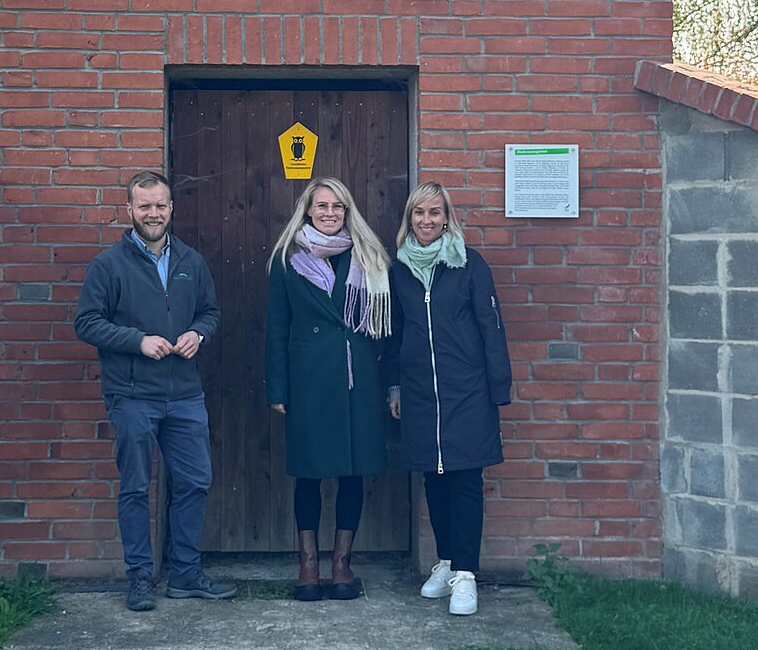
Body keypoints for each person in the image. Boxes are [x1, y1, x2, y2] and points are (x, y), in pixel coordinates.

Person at [74, 170, 235, 612]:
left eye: (160, 205)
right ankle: (140, 578)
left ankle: (185, 574)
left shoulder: (191, 261)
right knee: (135, 486)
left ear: (171, 208)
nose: (153, 213)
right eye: (144, 206)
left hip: (184, 393)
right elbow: (86, 322)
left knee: (194, 482)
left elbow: (210, 312)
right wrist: (137, 341)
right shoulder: (109, 265)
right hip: (133, 396)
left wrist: (199, 334)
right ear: (129, 210)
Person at [384, 182, 512, 617]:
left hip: (468, 390)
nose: (426, 221)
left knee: (464, 479)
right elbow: (395, 332)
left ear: (447, 218)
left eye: (434, 213)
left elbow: (491, 329)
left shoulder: (470, 266)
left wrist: (498, 389)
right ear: (409, 218)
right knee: (433, 478)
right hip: (420, 391)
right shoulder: (399, 269)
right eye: (418, 213)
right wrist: (394, 386)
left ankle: (466, 574)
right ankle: (445, 561)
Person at [265, 176, 393, 601]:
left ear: (347, 211)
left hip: (358, 379)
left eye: (338, 207)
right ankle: (307, 565)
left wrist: (391, 381)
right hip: (309, 379)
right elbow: (276, 328)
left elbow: (386, 331)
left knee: (352, 472)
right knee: (308, 473)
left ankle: (341, 564)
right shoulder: (287, 259)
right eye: (321, 206)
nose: (330, 213)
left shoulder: (369, 256)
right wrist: (278, 388)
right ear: (307, 211)